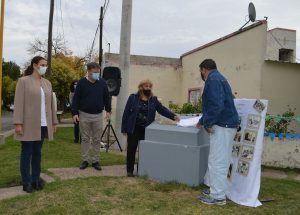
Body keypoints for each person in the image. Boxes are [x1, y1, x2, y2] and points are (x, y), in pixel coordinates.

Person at [196, 59, 239, 205]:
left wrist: (207, 123)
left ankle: (218, 197)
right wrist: (202, 120)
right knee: (220, 160)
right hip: (226, 124)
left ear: (204, 69)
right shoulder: (219, 77)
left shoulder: (213, 79)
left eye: (201, 71)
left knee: (217, 161)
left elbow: (216, 105)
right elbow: (215, 104)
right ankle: (216, 189)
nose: (201, 74)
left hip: (222, 125)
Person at [13, 56, 58, 193]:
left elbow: (51, 105)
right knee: (27, 153)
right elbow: (19, 103)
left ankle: (35, 180)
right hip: (28, 124)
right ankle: (26, 182)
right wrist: (18, 123)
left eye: (46, 65)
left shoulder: (47, 83)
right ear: (34, 65)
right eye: (42, 64)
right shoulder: (23, 81)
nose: (45, 67)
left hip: (43, 125)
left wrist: (53, 122)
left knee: (38, 153)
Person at [122, 79, 180, 177]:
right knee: (131, 149)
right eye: (146, 86)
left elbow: (162, 110)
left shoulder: (153, 99)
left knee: (145, 151)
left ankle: (142, 169)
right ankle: (130, 170)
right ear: (141, 87)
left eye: (149, 87)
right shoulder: (133, 98)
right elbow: (126, 113)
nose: (148, 88)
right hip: (134, 128)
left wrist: (173, 116)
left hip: (147, 129)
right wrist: (124, 128)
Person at [72, 62, 111, 171]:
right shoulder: (81, 83)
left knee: (97, 139)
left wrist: (108, 110)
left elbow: (106, 97)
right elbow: (76, 99)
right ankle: (85, 160)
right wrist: (75, 113)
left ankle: (95, 161)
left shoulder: (102, 83)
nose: (97, 74)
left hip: (98, 115)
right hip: (84, 114)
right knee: (85, 138)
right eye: (95, 72)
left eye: (98, 72)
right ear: (88, 71)